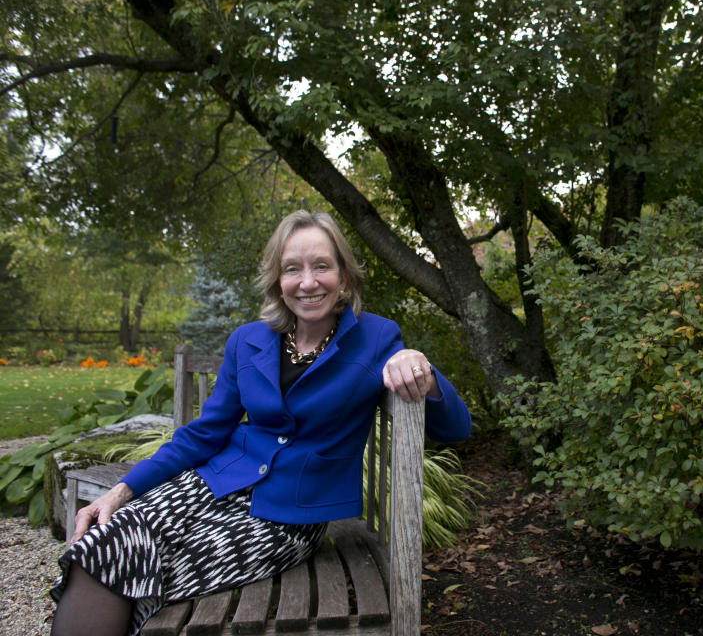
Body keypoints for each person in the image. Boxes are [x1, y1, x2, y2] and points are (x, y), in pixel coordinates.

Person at [49, 210, 471, 636]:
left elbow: (455, 429)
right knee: (99, 547)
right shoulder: (246, 341)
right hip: (212, 484)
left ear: (343, 277)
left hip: (289, 517)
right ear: (278, 281)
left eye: (322, 266)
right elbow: (204, 432)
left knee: (138, 574)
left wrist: (421, 368)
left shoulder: (376, 338)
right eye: (293, 269)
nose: (307, 282)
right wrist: (123, 490)